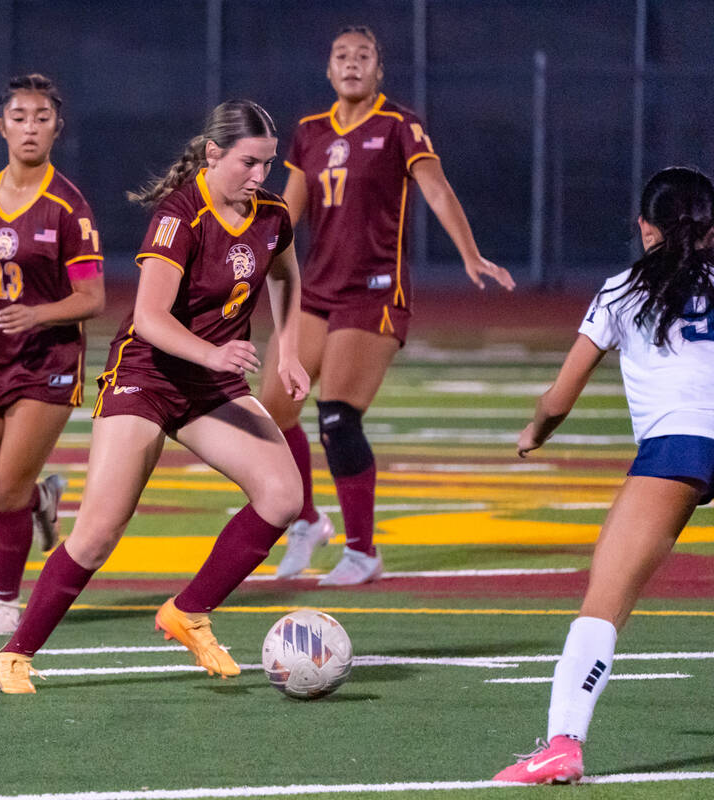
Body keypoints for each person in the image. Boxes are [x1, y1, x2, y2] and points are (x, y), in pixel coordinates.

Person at [0, 99, 310, 694]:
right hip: (147, 376)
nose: (261, 177)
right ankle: (16, 653)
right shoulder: (180, 214)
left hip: (209, 386)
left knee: (283, 494)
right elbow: (150, 317)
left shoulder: (271, 214)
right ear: (214, 154)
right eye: (249, 163)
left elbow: (287, 276)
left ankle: (188, 612)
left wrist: (288, 349)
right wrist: (215, 353)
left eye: (269, 163)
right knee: (98, 533)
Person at [264, 25, 515, 584]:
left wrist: (470, 255)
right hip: (316, 292)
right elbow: (286, 213)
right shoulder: (308, 131)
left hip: (374, 292)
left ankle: (362, 551)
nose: (352, 63)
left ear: (379, 69)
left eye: (363, 55)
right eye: (341, 55)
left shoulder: (399, 123)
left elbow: (437, 189)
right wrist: (242, 250)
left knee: (337, 419)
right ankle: (306, 520)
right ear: (328, 69)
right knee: (272, 416)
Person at [493, 166, 714, 784]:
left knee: (604, 603)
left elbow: (561, 395)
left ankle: (563, 742)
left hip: (678, 447)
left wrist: (535, 432)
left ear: (645, 228)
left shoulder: (621, 291)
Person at [0, 74, 105, 634]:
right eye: (20, 116)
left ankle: (5, 602)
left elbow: (92, 298)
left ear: (58, 128)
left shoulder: (68, 208)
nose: (30, 127)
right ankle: (40, 502)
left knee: (4, 485)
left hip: (47, 365)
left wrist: (38, 314)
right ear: (1, 125)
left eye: (42, 117)